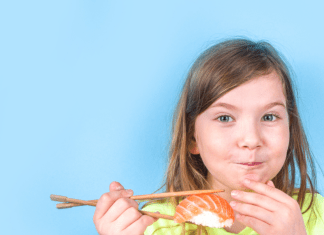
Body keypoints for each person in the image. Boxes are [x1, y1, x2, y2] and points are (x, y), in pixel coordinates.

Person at [93, 38, 324, 235]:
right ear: (193, 138)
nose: (251, 140)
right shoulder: (158, 225)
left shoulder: (316, 215)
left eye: (269, 117)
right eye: (225, 118)